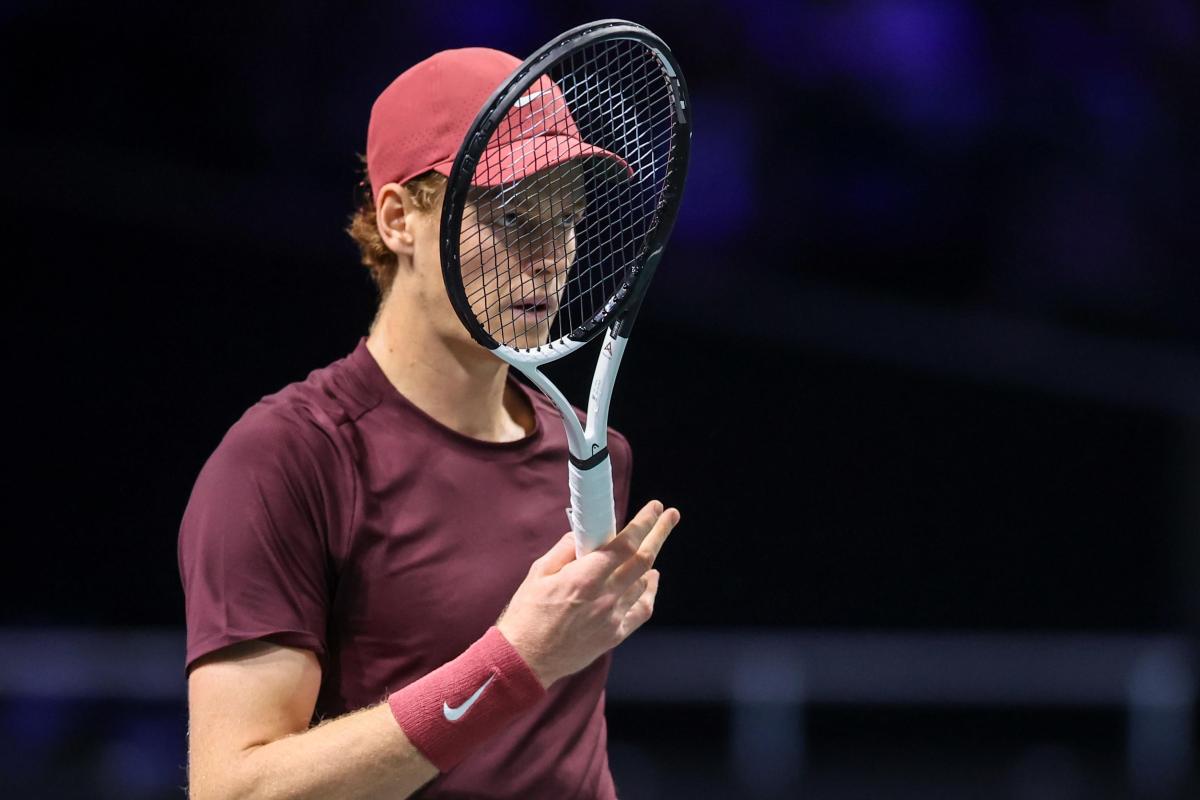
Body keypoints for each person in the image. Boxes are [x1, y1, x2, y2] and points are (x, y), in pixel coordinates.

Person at [178, 46, 680, 800]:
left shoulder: (590, 452)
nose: (552, 260)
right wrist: (516, 660)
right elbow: (235, 790)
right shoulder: (286, 460)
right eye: (515, 219)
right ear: (398, 219)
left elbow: (560, 753)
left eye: (568, 219)